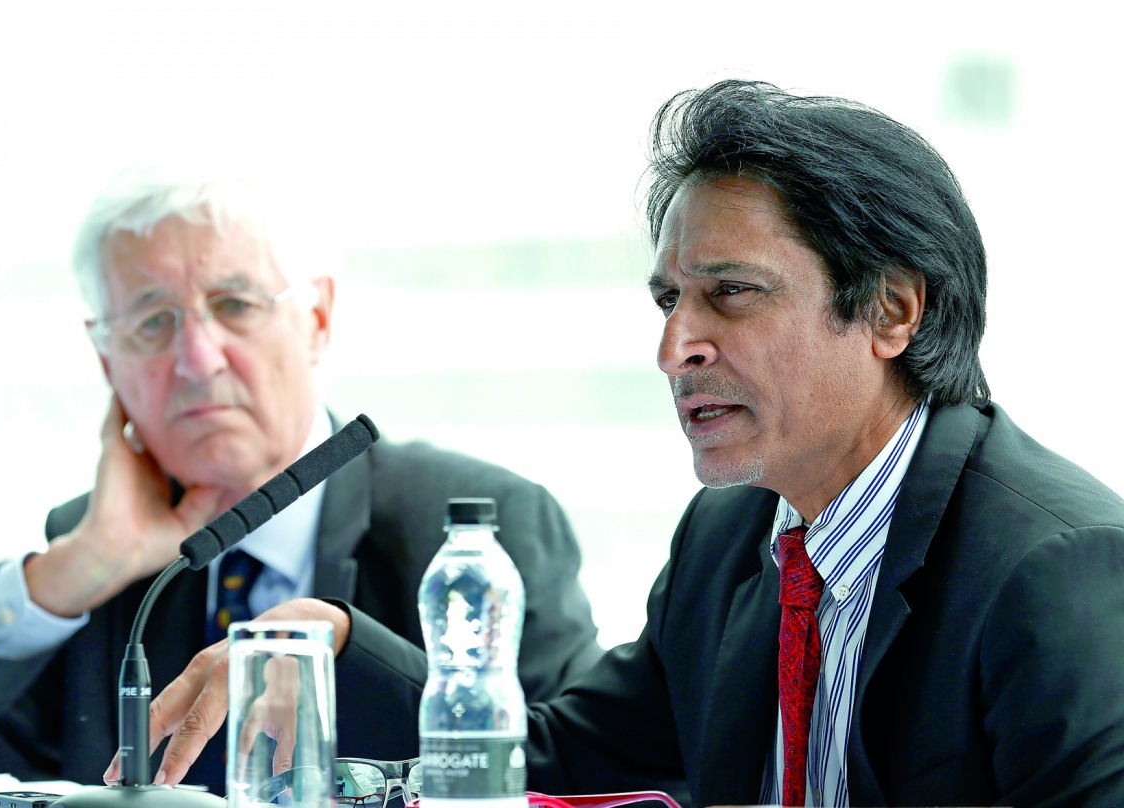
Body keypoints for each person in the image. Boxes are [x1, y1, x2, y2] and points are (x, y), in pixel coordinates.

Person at [133, 80, 1124, 807]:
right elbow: (563, 761)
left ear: (892, 310)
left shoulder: (1054, 568)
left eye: (730, 293)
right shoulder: (729, 540)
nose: (674, 348)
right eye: (668, 300)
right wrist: (340, 642)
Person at [0, 168, 604, 792]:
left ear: (317, 320)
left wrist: (350, 654)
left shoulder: (478, 532)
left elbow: (578, 779)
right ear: (107, 362)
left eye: (235, 305)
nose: (197, 360)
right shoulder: (94, 557)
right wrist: (70, 573)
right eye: (153, 321)